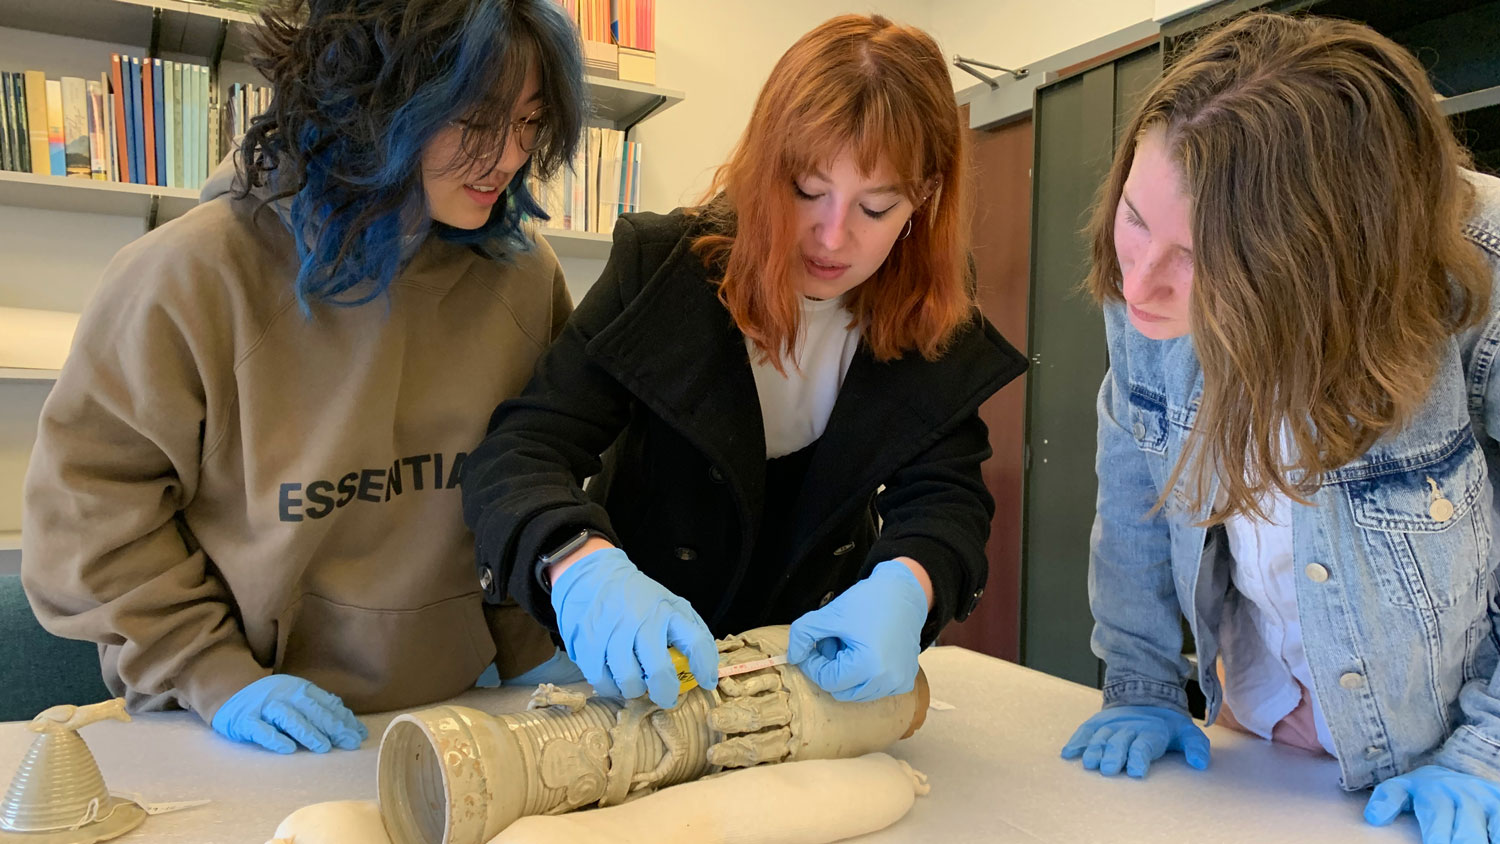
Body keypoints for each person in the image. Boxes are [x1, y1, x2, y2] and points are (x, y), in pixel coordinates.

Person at [21, 0, 587, 754]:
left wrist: (548, 631)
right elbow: (89, 514)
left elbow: (535, 474)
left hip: (467, 710)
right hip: (239, 725)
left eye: (530, 123)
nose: (511, 157)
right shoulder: (186, 275)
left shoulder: (524, 276)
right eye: (478, 121)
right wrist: (212, 673)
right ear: (372, 99)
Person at [461, 14, 1027, 710]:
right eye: (806, 192)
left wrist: (910, 583)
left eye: (876, 207)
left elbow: (946, 498)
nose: (831, 236)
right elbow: (521, 451)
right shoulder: (663, 271)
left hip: (810, 677)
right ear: (765, 168)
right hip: (634, 668)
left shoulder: (930, 305)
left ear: (924, 200)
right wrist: (578, 565)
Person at [1058, 11, 1500, 843]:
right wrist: (1143, 682)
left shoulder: (1476, 272)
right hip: (1262, 736)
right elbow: (1134, 486)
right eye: (1136, 220)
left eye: (1203, 259)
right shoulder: (1143, 275)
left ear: (1328, 262)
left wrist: (1489, 749)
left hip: (1442, 761)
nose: (1140, 283)